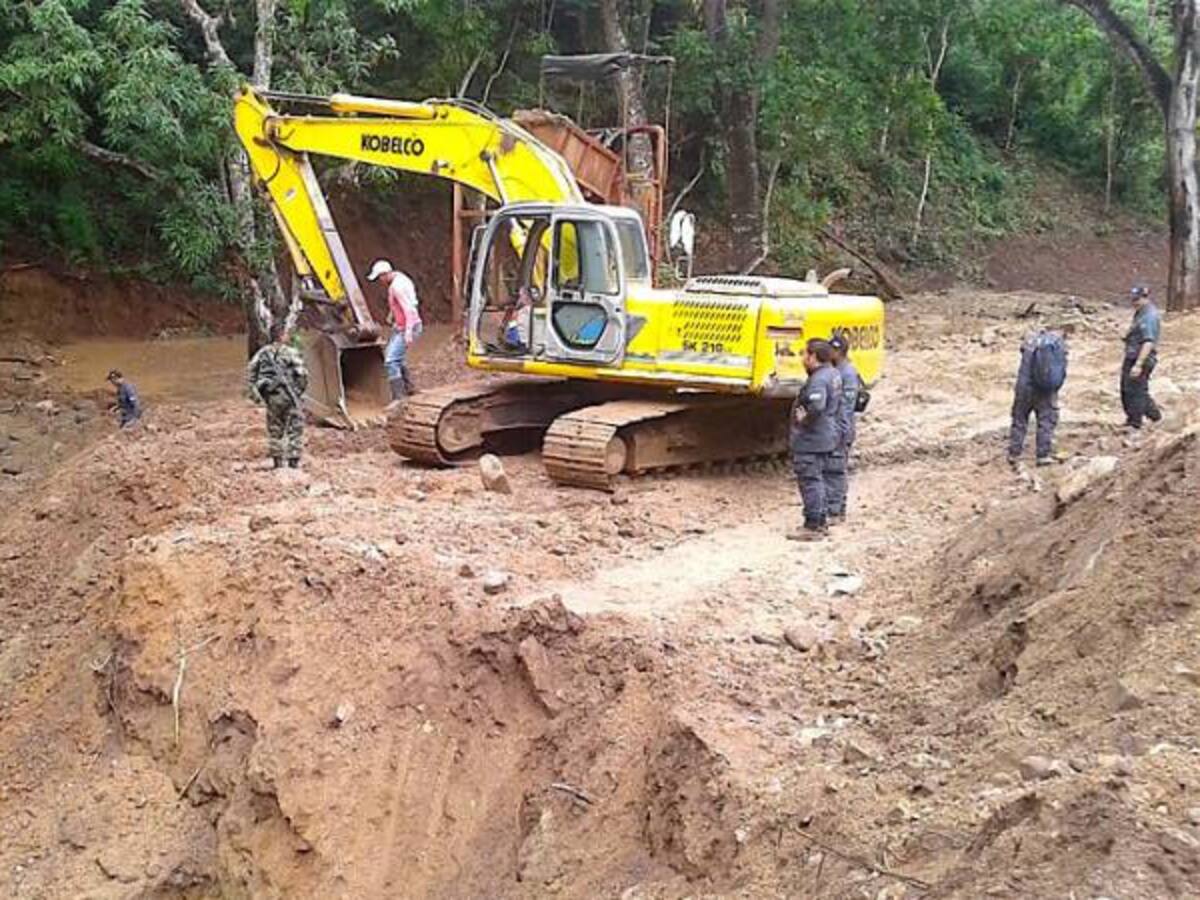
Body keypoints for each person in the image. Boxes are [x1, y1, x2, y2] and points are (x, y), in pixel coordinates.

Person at [788, 338, 842, 541]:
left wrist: (805, 420)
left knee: (810, 480)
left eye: (805, 354)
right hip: (825, 436)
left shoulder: (819, 380)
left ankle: (813, 525)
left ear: (813, 357)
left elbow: (817, 406)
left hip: (813, 439)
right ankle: (820, 521)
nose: (803, 358)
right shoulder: (833, 374)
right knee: (818, 479)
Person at [247, 321, 309, 469]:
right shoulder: (291, 352)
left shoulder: (262, 353)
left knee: (275, 429)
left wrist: (257, 394)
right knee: (295, 427)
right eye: (286, 333)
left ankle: (277, 462)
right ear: (282, 336)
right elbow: (302, 374)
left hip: (272, 396)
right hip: (290, 395)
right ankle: (293, 461)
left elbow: (251, 372)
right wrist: (299, 392)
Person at [366, 259, 422, 408]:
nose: (380, 281)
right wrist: (392, 314)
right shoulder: (402, 279)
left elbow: (409, 309)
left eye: (380, 277)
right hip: (402, 326)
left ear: (385, 274)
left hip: (407, 327)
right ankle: (410, 388)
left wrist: (408, 332)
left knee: (391, 361)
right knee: (397, 357)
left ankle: (399, 398)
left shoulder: (397, 287)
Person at [1008, 328, 1067, 467]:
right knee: (1046, 420)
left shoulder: (1029, 341)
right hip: (1045, 391)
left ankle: (1014, 453)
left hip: (1023, 387)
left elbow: (1022, 351)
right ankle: (1043, 455)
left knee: (1020, 419)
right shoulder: (1058, 345)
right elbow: (1060, 371)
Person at [826, 333, 861, 523]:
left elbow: (846, 407)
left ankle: (836, 510)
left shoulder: (847, 373)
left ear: (839, 351)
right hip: (834, 427)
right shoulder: (836, 370)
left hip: (840, 429)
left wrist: (839, 431)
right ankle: (833, 506)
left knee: (835, 469)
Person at [1121, 283, 1163, 430]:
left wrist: (1138, 364)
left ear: (1145, 298)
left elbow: (1148, 342)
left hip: (1141, 357)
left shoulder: (1149, 316)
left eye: (1136, 300)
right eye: (1132, 299)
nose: (1133, 303)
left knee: (1136, 391)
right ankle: (1151, 416)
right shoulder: (1141, 312)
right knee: (1129, 389)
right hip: (1132, 355)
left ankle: (1136, 422)